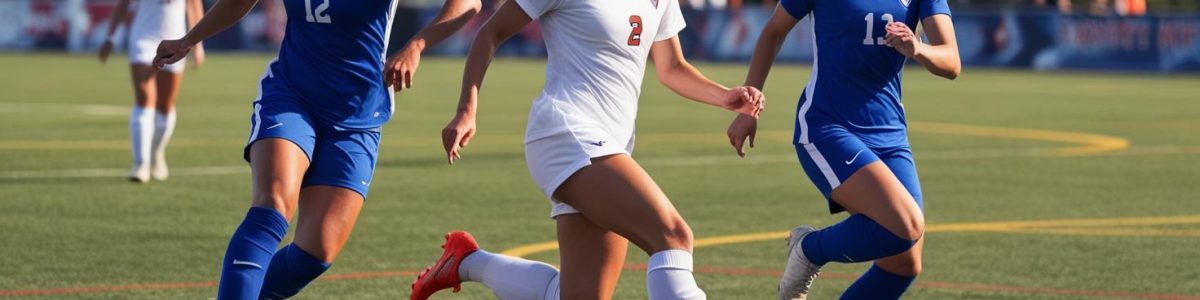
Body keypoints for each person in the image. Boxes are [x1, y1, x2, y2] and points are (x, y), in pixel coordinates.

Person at [410, 0, 764, 299]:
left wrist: (725, 97)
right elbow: (491, 32)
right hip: (564, 132)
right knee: (672, 236)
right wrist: (466, 110)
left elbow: (672, 68)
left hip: (609, 145)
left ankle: (465, 261)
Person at [151, 0, 484, 298]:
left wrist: (417, 44)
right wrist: (188, 39)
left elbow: (469, 4)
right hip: (291, 96)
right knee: (273, 206)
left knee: (316, 253)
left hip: (359, 114)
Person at [728, 0, 960, 298]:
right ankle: (809, 249)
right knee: (906, 226)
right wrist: (749, 108)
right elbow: (773, 31)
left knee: (903, 264)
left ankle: (808, 247)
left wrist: (917, 47)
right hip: (827, 127)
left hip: (891, 136)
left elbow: (951, 61)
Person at [99, 0, 205, 183]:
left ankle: (156, 152)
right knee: (144, 98)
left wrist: (198, 45)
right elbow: (123, 5)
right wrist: (111, 37)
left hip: (176, 40)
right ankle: (140, 163)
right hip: (143, 38)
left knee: (165, 105)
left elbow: (194, 7)